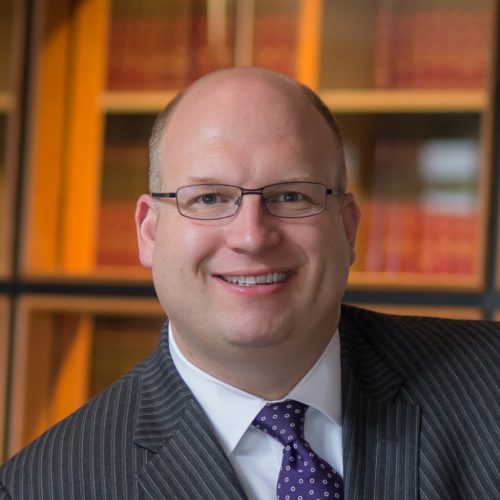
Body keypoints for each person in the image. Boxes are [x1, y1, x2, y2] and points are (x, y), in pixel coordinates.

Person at [1, 67, 499, 500]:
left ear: (347, 228)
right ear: (149, 232)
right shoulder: (44, 487)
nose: (252, 236)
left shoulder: (488, 384)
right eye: (209, 198)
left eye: (291, 196)